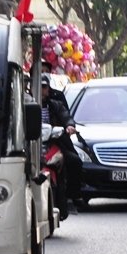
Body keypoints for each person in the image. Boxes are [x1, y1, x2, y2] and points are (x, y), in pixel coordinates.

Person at [41, 77, 84, 213]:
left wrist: (69, 126)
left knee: (74, 161)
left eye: (44, 87)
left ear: (48, 89)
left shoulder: (55, 105)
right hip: (32, 146)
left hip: (55, 145)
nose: (41, 90)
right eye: (38, 86)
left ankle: (72, 196)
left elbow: (66, 117)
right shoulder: (25, 104)